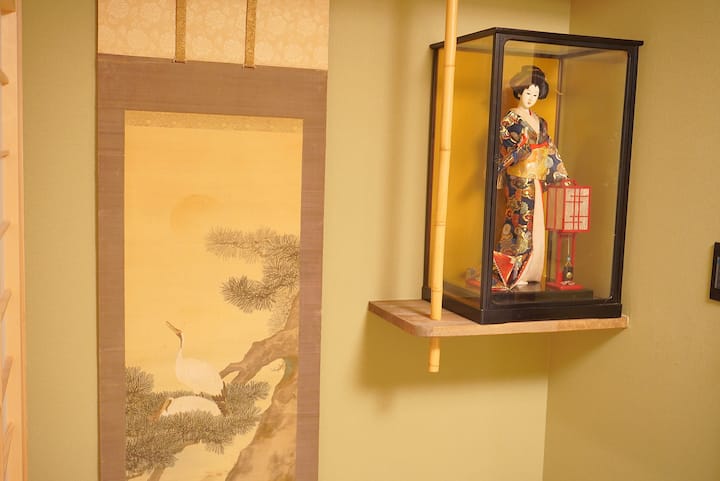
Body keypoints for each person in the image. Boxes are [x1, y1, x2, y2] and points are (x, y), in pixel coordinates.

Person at [493, 65, 569, 290]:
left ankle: (532, 270)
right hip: (518, 179)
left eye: (535, 94)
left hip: (535, 179)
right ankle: (513, 272)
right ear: (519, 92)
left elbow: (549, 148)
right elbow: (505, 146)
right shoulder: (510, 119)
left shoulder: (540, 121)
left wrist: (560, 174)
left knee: (536, 225)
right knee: (519, 223)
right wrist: (523, 150)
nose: (530, 98)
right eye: (527, 93)